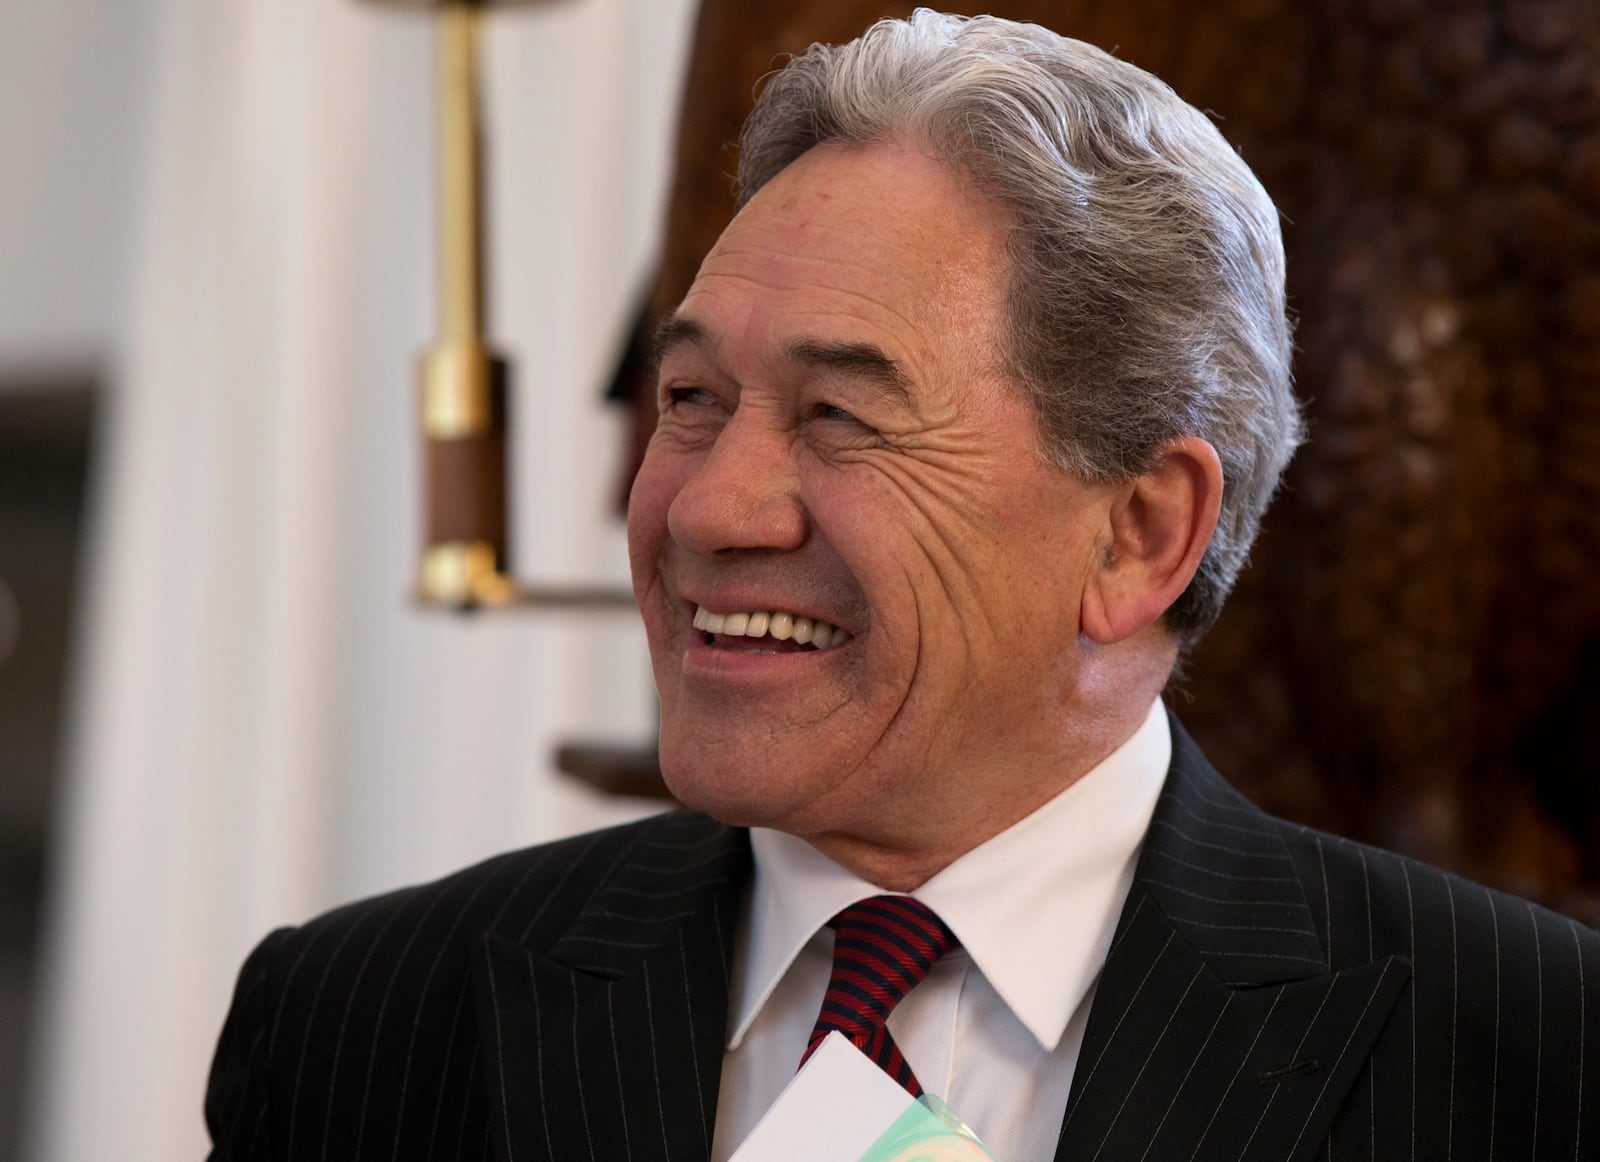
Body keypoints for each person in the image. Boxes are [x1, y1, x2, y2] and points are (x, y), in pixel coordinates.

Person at [205, 12, 1600, 1161]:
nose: (704, 503)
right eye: (691, 395)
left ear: (1139, 534)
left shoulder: (1528, 1058)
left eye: (839, 416)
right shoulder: (358, 1025)